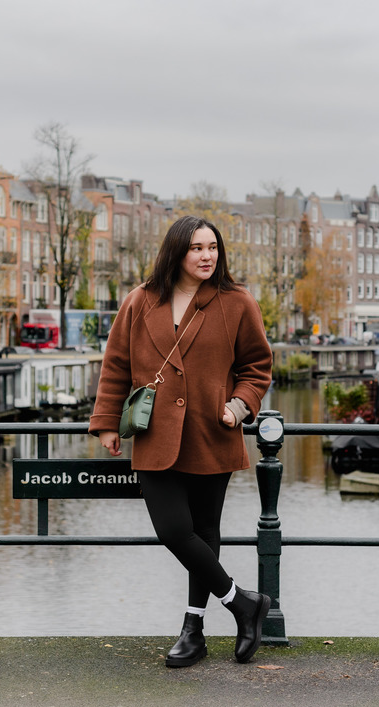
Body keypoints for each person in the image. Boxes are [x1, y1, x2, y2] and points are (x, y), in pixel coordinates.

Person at [89, 215, 274, 667]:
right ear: (177, 251)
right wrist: (107, 422)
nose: (207, 255)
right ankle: (242, 602)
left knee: (205, 533)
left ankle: (194, 631)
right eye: (196, 248)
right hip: (155, 437)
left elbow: (258, 366)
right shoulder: (140, 301)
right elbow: (116, 365)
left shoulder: (237, 302)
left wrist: (239, 405)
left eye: (212, 247)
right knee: (174, 531)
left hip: (214, 433)